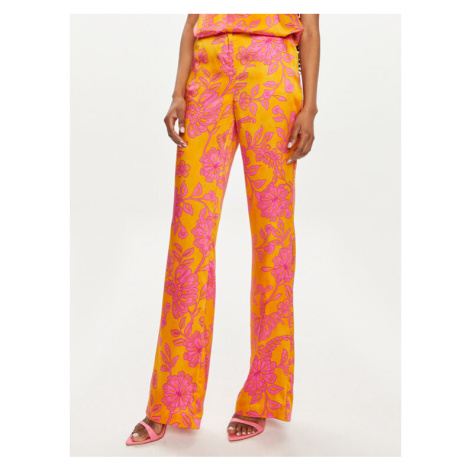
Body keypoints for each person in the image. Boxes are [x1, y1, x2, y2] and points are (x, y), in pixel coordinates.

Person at [126, 13, 320, 445]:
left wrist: (309, 107)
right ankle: (169, 400)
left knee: (273, 237)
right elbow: (191, 20)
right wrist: (178, 92)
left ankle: (263, 395)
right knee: (189, 236)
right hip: (208, 73)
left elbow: (309, 26)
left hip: (272, 71)